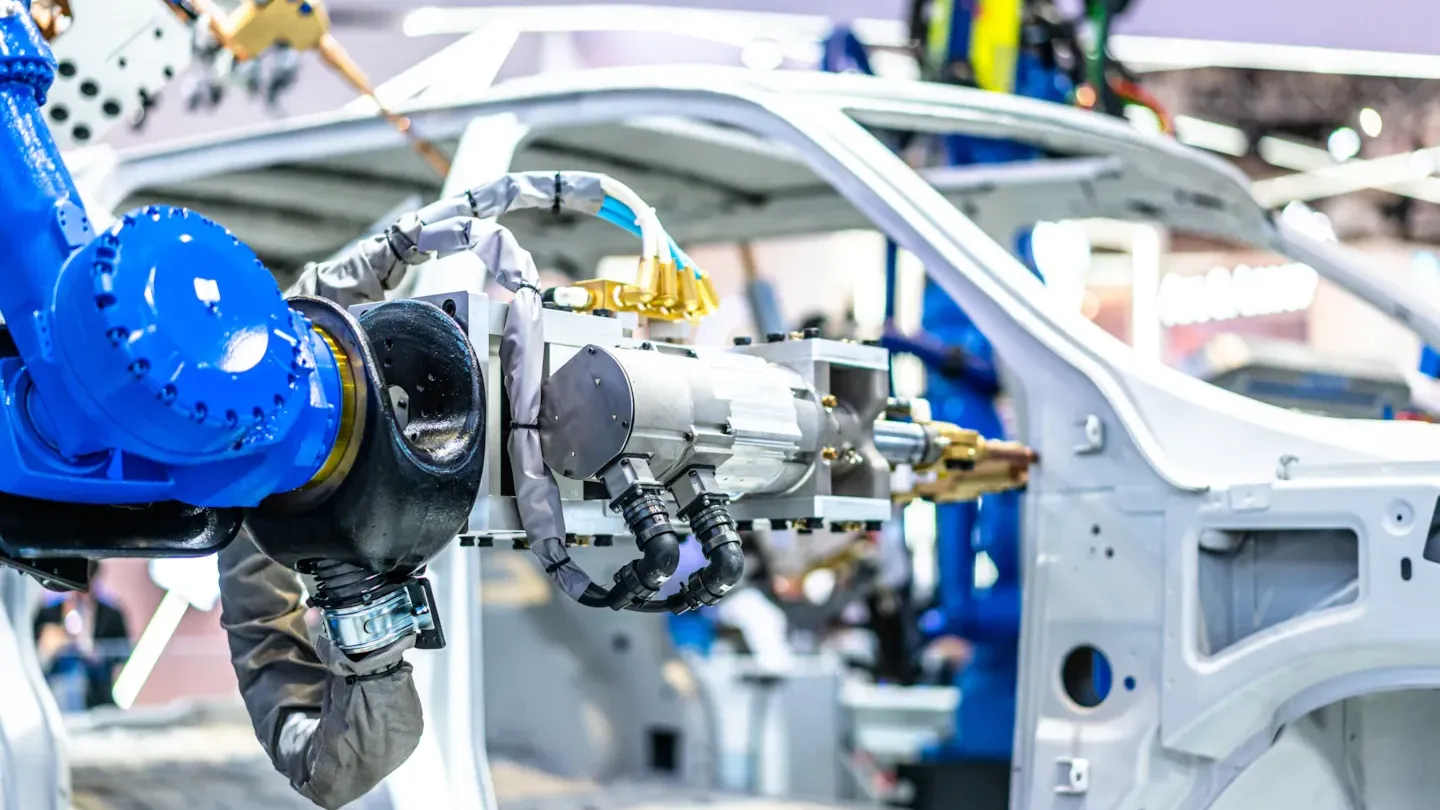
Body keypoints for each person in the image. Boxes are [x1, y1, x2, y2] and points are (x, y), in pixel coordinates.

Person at [33, 562, 131, 712]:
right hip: (57, 695)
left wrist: (98, 653)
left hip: (99, 695)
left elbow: (122, 651)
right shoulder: (49, 614)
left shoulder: (112, 615)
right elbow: (35, 653)